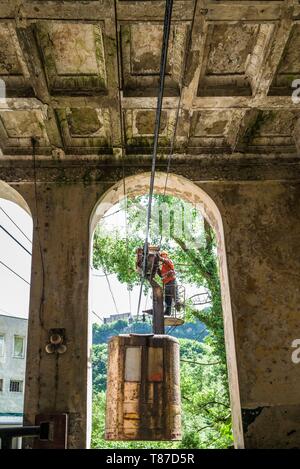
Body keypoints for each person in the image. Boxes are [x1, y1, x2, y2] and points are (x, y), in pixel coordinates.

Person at [157, 251, 177, 316]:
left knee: (175, 295)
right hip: (166, 283)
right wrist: (157, 269)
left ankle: (178, 304)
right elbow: (161, 275)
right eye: (161, 255)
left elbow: (169, 263)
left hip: (171, 281)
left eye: (163, 255)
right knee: (167, 299)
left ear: (166, 255)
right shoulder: (162, 267)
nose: (162, 256)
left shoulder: (169, 261)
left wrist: (160, 259)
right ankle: (167, 312)